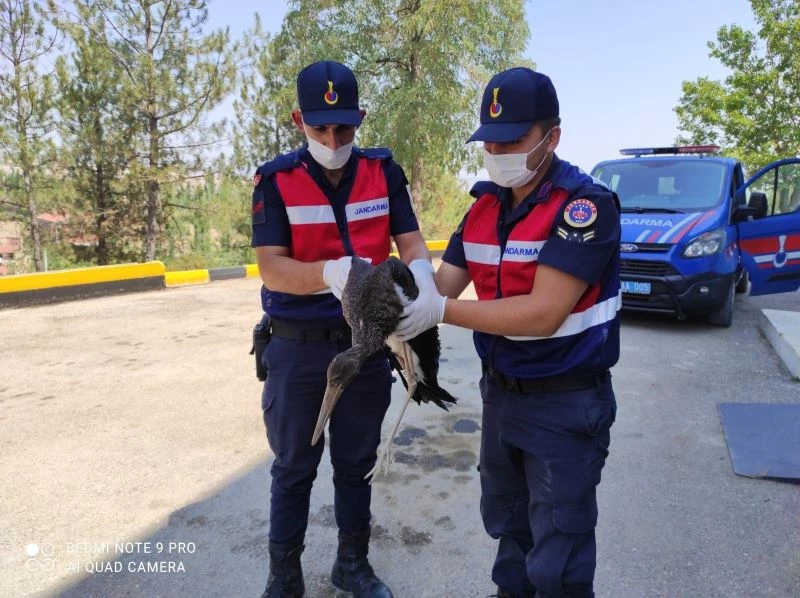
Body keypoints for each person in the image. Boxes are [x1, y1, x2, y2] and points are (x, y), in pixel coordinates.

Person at [395, 67, 621, 597]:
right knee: (510, 539)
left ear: (552, 136)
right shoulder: (482, 209)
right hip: (501, 397)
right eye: (489, 140)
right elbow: (442, 283)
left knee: (558, 562)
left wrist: (440, 313)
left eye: (513, 139)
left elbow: (543, 313)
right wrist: (375, 284)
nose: (498, 151)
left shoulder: (584, 208)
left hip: (565, 406)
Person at [250, 60, 431, 598]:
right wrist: (328, 273)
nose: (333, 138)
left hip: (367, 347)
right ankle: (284, 577)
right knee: (293, 467)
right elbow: (272, 268)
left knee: (356, 465)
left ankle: (351, 565)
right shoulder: (276, 180)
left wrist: (420, 279)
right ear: (297, 119)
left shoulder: (383, 172)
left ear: (361, 118)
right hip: (297, 348)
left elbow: (412, 242)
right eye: (320, 127)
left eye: (345, 127)